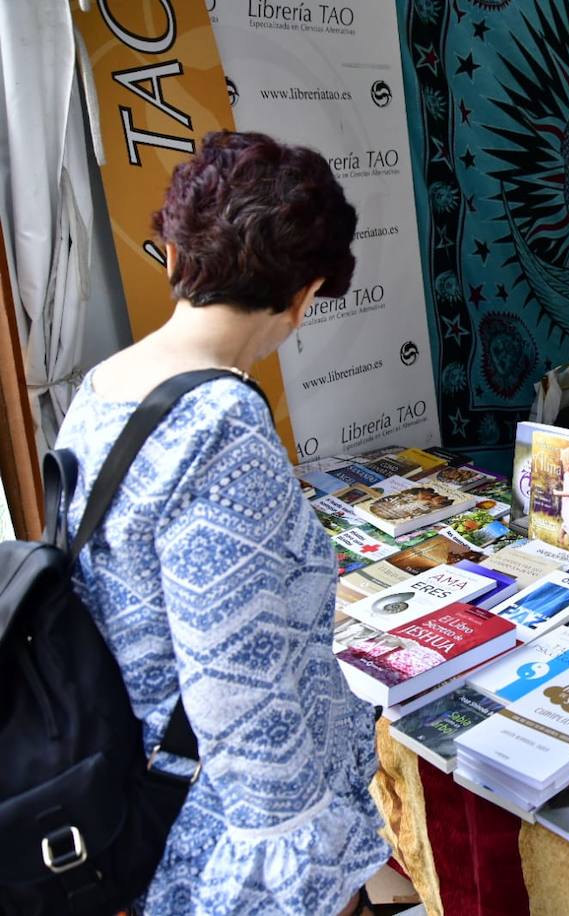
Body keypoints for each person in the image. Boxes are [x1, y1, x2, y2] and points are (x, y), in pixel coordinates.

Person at [53, 132, 389, 915]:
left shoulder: (107, 383)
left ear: (176, 256)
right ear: (304, 295)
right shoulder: (221, 427)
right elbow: (242, 693)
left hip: (131, 782)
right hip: (213, 836)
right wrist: (319, 886)